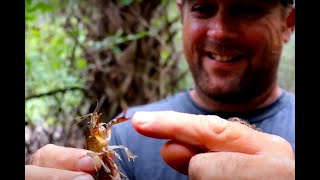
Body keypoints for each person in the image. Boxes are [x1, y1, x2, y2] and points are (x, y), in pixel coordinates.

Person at [25, 0, 295, 179]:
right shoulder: (129, 131)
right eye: (203, 8)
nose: (220, 31)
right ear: (182, 15)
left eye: (247, 8)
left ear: (288, 23)